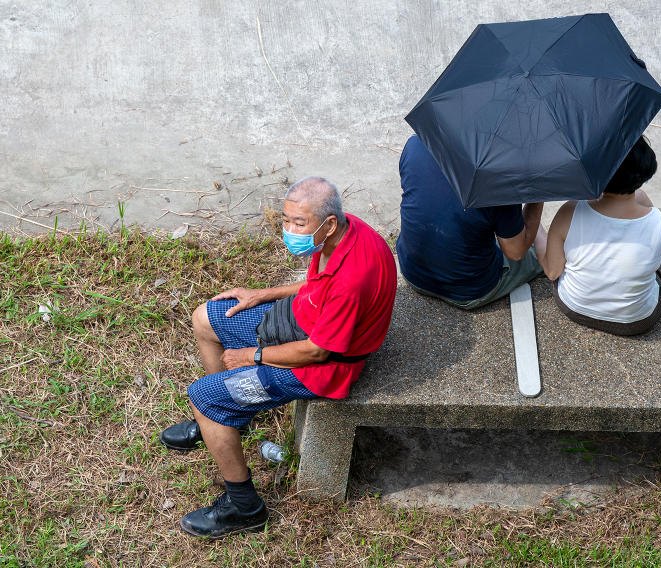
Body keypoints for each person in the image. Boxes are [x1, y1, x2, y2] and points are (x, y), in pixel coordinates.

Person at [159, 177, 397, 539]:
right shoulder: (346, 231)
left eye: (298, 224)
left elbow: (319, 351)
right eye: (285, 220)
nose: (289, 230)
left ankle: (244, 507)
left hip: (319, 369)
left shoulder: (352, 278)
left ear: (327, 223)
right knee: (205, 317)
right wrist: (261, 294)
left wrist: (253, 356)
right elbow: (318, 286)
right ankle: (232, 420)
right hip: (304, 319)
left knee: (203, 397)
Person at [536, 136, 661, 336]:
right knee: (654, 247)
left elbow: (552, 273)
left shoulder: (569, 212)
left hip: (574, 308)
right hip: (636, 321)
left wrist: (536, 232)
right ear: (646, 168)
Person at [396, 134, 545, 309]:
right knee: (542, 246)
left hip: (412, 271)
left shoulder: (417, 144)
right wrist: (538, 196)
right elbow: (516, 252)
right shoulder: (502, 177)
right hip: (468, 290)